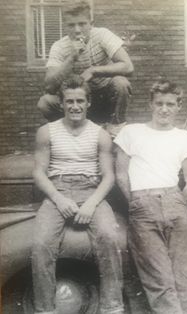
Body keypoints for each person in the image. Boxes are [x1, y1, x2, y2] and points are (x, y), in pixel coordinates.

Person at [31, 75, 124, 314]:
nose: (75, 106)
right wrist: (59, 199)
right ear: (61, 103)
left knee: (109, 237)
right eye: (69, 101)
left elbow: (109, 177)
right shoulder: (46, 132)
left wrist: (91, 205)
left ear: (88, 103)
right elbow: (39, 173)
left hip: (91, 190)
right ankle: (45, 310)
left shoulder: (99, 134)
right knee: (41, 244)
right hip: (57, 190)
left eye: (80, 101)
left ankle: (112, 307)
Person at [114, 78, 187, 314]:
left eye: (170, 104)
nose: (164, 109)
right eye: (159, 103)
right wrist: (137, 203)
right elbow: (121, 175)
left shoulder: (184, 138)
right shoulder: (131, 132)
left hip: (175, 202)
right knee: (159, 277)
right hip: (142, 204)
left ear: (178, 106)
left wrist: (175, 204)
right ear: (151, 104)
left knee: (183, 275)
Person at [37, 0, 134, 128]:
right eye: (71, 25)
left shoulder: (102, 35)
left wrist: (93, 71)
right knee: (45, 102)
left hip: (106, 98)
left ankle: (116, 129)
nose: (77, 30)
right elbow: (49, 87)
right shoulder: (59, 46)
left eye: (82, 24)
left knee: (121, 83)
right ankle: (69, 131)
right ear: (65, 26)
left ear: (91, 24)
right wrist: (72, 58)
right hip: (78, 101)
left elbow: (128, 66)